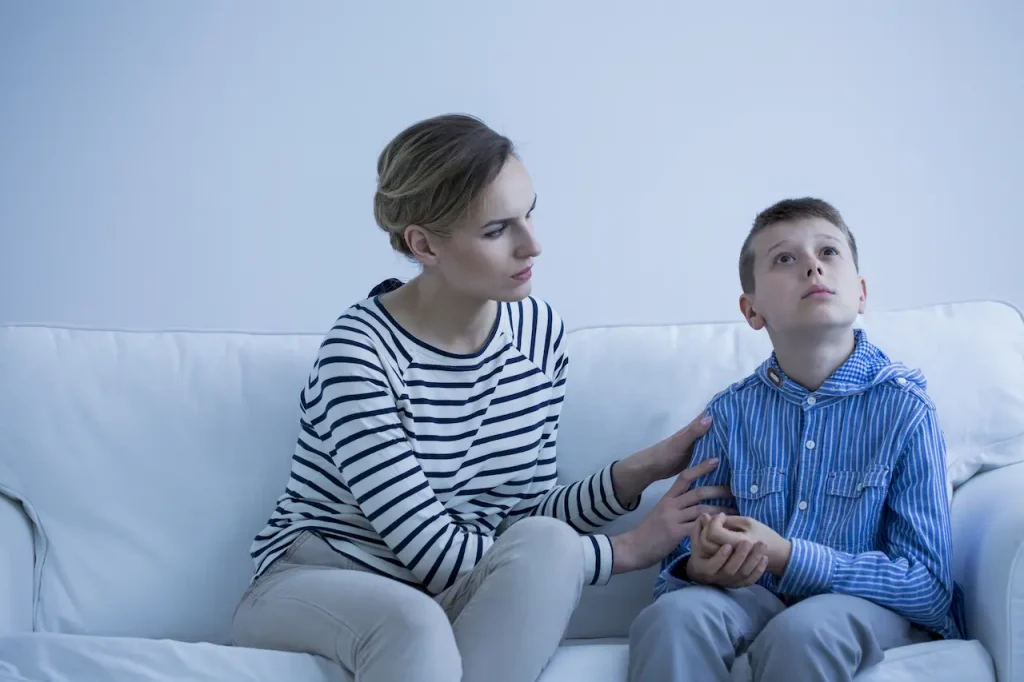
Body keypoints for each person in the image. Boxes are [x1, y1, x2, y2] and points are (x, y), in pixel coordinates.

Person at [230, 113, 769, 682]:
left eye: (530, 212)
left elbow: (523, 521)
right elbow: (430, 553)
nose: (532, 245)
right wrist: (626, 550)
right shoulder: (359, 355)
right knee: (413, 624)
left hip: (453, 594)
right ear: (424, 244)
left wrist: (633, 474)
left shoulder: (539, 336)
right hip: (316, 580)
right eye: (496, 230)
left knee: (536, 544)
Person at [627, 198, 967, 682]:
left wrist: (788, 556)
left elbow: (927, 587)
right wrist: (701, 567)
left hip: (862, 606)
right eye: (785, 259)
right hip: (750, 599)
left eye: (829, 252)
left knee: (804, 630)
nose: (812, 265)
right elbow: (676, 570)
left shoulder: (906, 411)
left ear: (861, 292)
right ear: (752, 310)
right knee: (671, 618)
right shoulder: (728, 416)